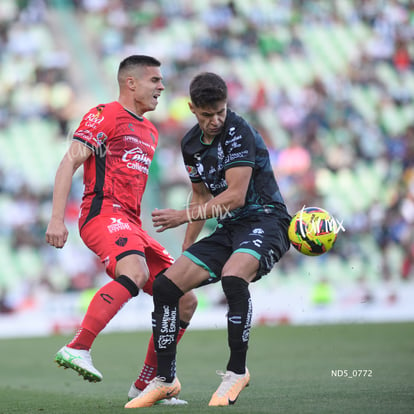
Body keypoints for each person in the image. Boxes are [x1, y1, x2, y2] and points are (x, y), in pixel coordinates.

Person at [125, 72, 291, 408]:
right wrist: (188, 245)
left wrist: (182, 217)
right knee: (167, 286)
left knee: (233, 276)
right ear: (192, 109)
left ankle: (236, 371)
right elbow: (200, 196)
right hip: (228, 230)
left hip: (267, 220)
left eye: (220, 112)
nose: (215, 120)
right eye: (206, 115)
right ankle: (166, 380)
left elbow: (236, 197)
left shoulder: (239, 131)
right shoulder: (190, 145)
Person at [45, 55, 197, 405]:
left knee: (184, 297)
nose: (161, 87)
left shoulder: (151, 130)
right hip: (102, 215)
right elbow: (69, 161)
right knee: (135, 270)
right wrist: (56, 219)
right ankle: (78, 346)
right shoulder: (105, 115)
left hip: (131, 223)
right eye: (154, 80)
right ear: (131, 83)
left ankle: (148, 383)